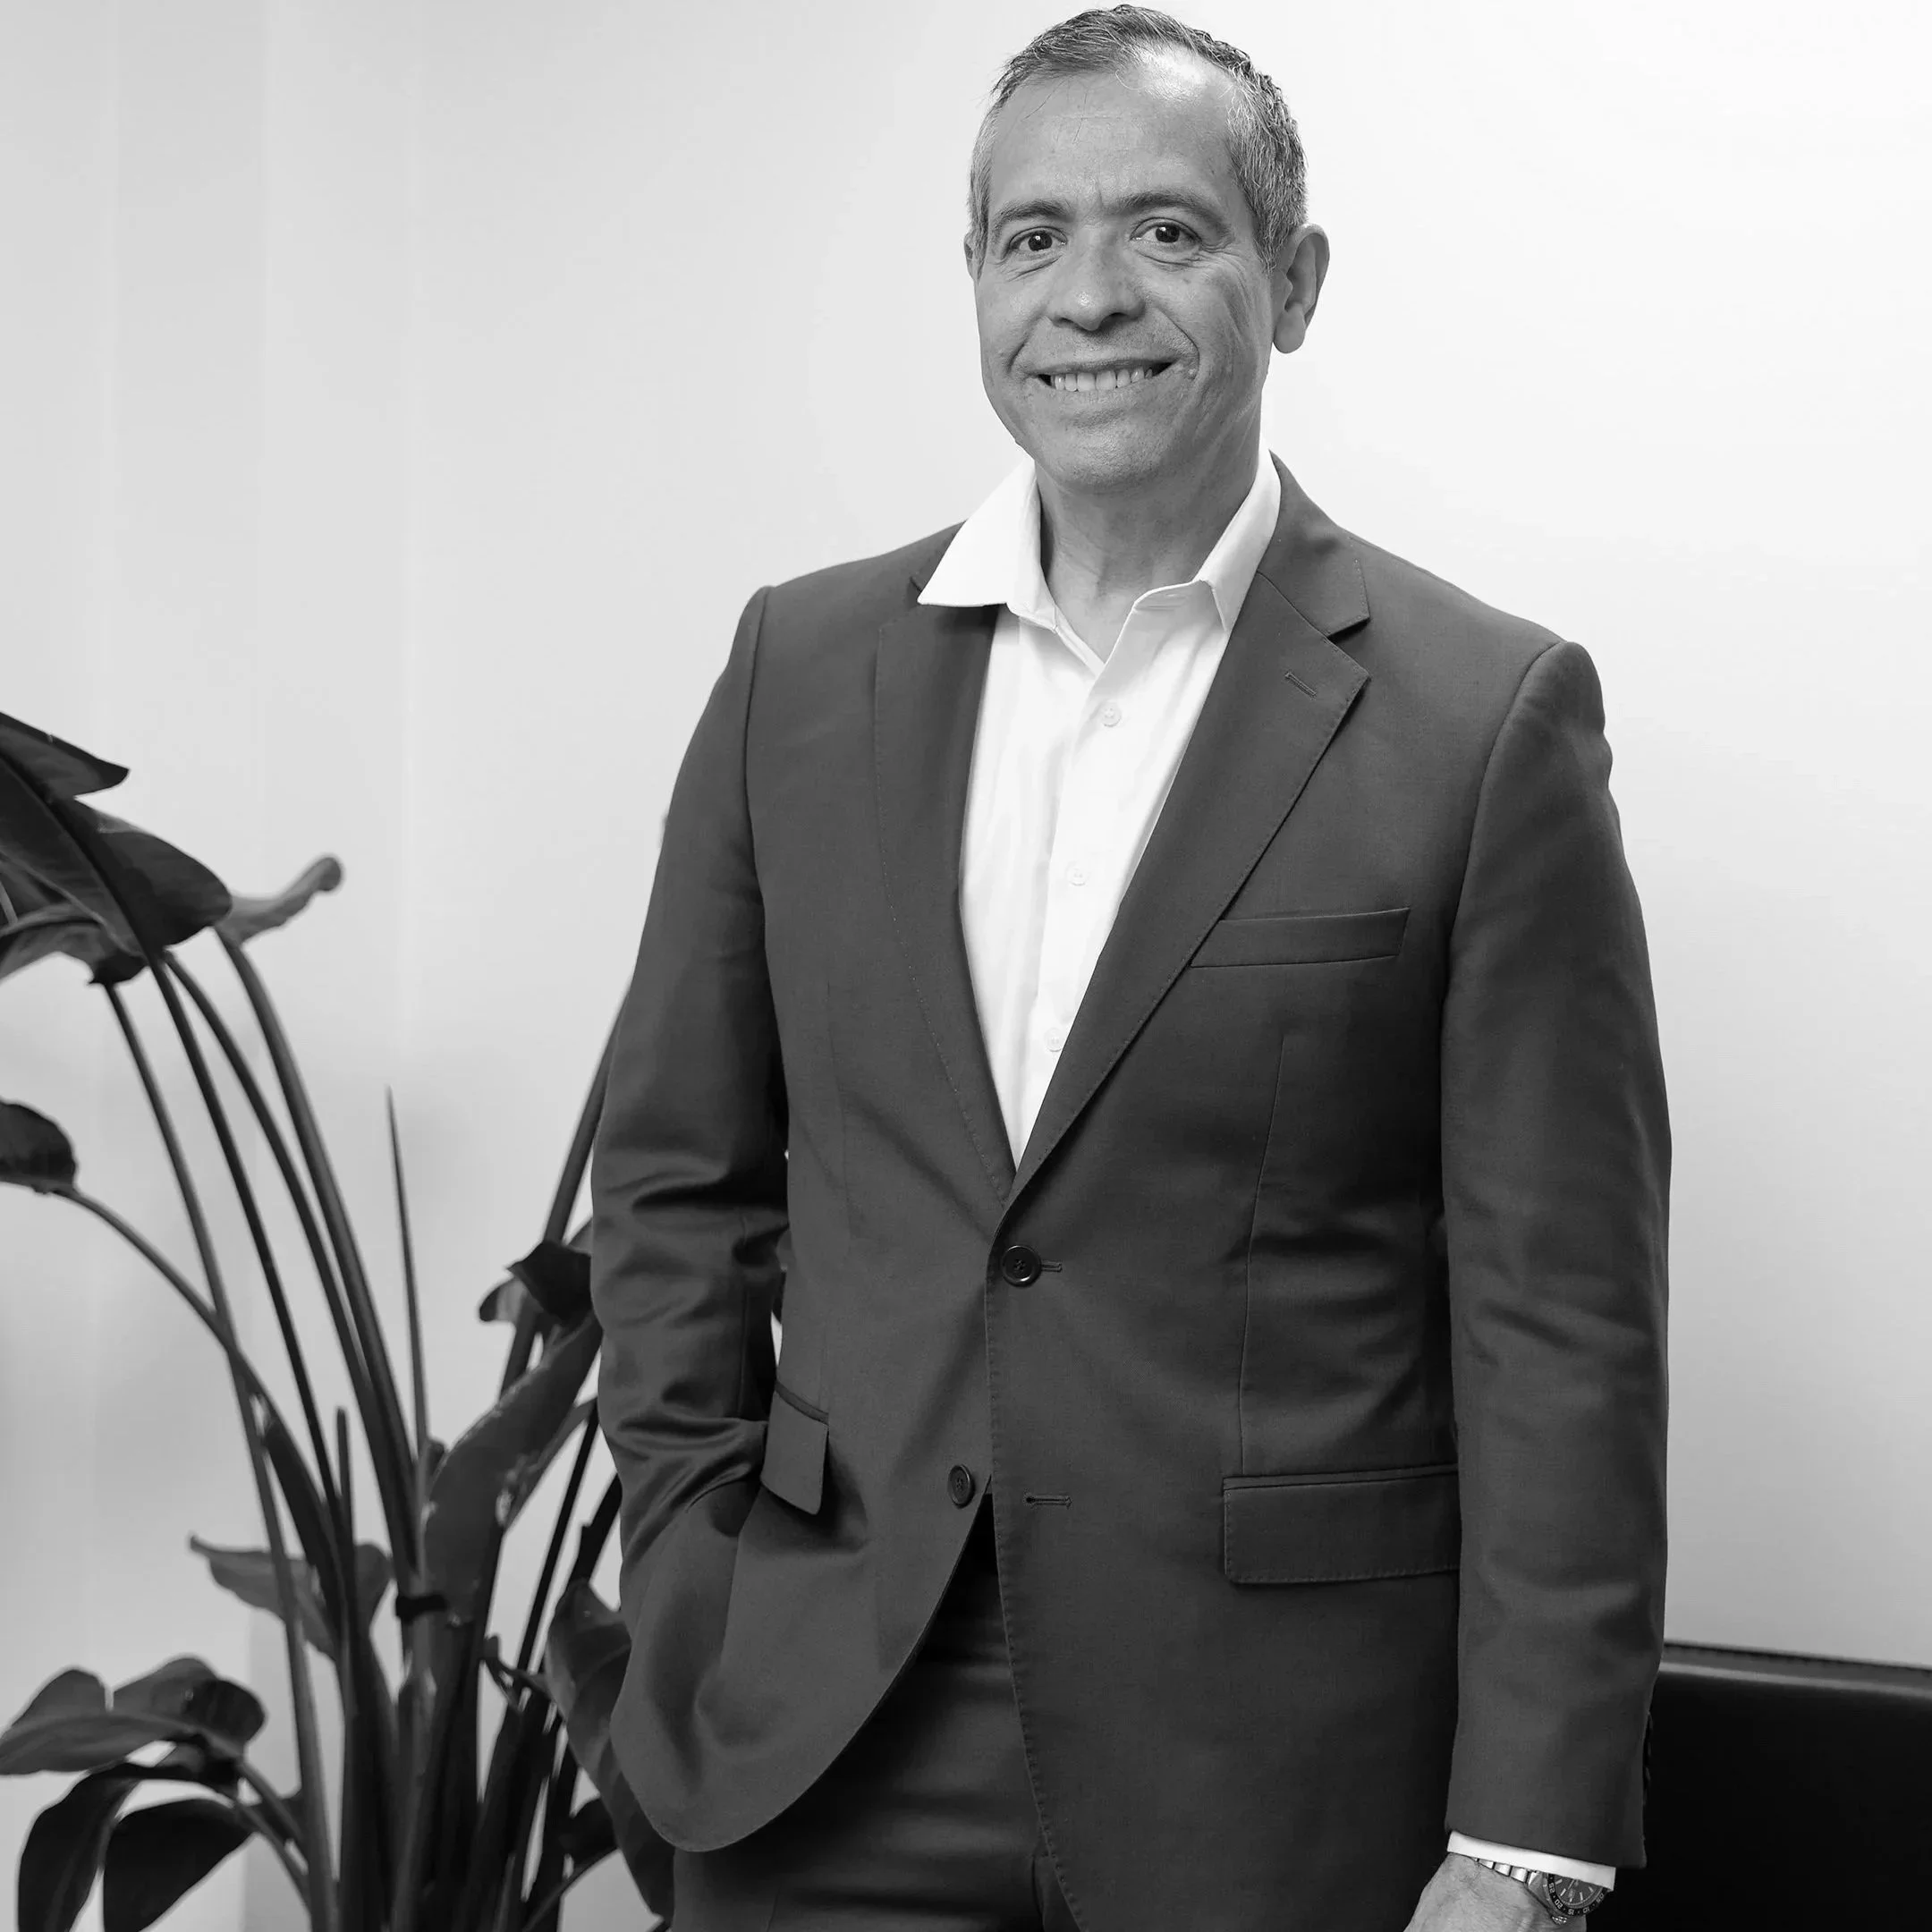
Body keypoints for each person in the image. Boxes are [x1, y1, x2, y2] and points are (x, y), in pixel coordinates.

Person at [589, 8, 1669, 1929]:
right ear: (980, 287)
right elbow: (674, 1179)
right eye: (1033, 239)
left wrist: (1524, 1848)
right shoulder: (797, 671)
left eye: (1170, 233)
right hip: (826, 1742)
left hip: (1283, 1772)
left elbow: (1559, 1321)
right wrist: (694, 1566)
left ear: (1296, 282)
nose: (1090, 295)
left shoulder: (1485, 717)